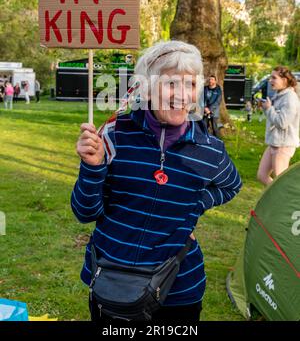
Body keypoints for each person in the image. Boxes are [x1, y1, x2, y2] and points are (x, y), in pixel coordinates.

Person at [71, 40, 242, 324]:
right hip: (112, 278)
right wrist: (93, 167)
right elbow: (85, 212)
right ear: (147, 87)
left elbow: (231, 185)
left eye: (190, 84)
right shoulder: (113, 135)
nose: (182, 95)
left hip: (178, 288)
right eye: (171, 83)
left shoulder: (210, 149)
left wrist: (193, 206)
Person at [257, 66, 300, 187]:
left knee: (280, 181)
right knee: (262, 175)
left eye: (274, 78)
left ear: (285, 80)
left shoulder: (290, 98)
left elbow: (282, 123)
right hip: (274, 143)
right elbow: (274, 118)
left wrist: (269, 108)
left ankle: (288, 203)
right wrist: (266, 108)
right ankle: (279, 200)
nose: (270, 80)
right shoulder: (280, 95)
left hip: (283, 145)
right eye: (270, 77)